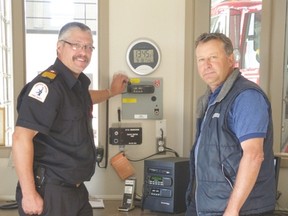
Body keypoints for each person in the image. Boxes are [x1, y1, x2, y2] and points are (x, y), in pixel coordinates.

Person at [12, 22, 129, 216]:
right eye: (76, 45)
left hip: (75, 191)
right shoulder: (48, 86)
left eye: (88, 47)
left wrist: (112, 92)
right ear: (59, 47)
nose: (83, 52)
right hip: (50, 193)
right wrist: (29, 194)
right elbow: (20, 138)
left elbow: (86, 98)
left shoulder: (74, 86)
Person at [185, 33, 275, 216]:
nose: (206, 65)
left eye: (213, 57)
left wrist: (232, 210)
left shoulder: (246, 97)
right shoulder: (211, 100)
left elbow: (254, 155)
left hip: (240, 209)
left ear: (230, 59)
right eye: (201, 59)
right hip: (208, 204)